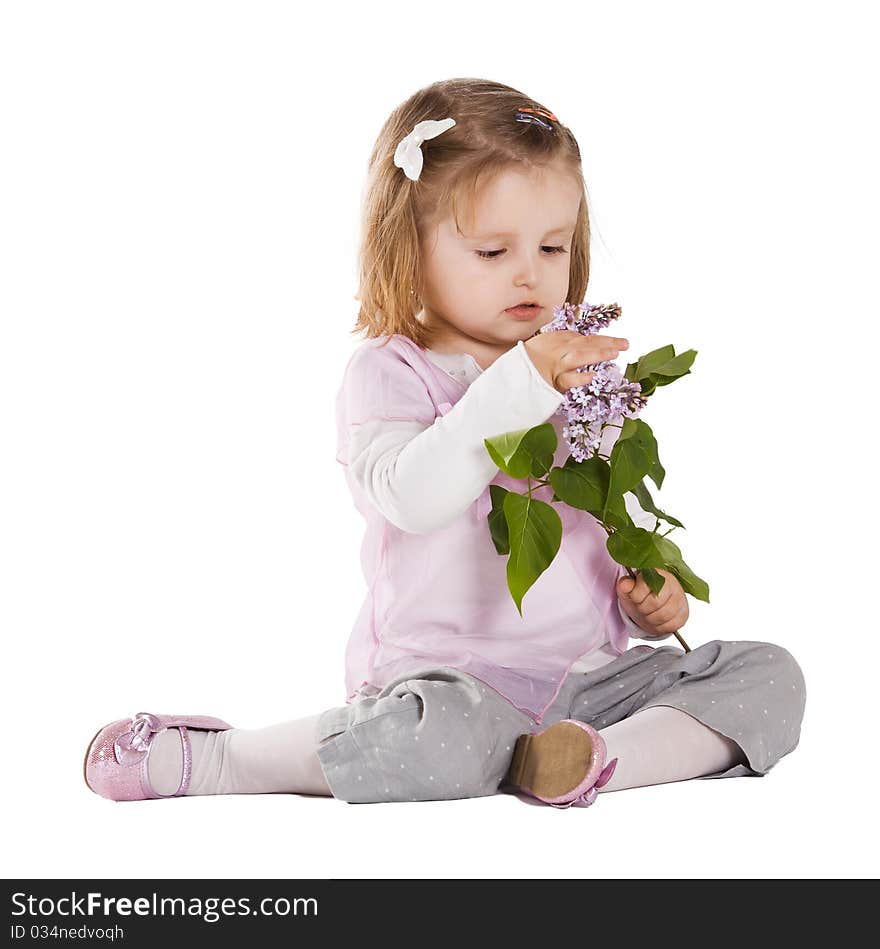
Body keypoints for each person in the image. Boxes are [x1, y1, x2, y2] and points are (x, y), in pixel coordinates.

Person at [83, 78, 806, 808]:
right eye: (493, 251)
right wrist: (522, 380)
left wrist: (650, 592)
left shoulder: (577, 372)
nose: (530, 271)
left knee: (771, 674)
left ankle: (589, 759)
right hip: (451, 687)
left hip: (589, 680)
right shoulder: (393, 374)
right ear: (410, 248)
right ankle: (227, 760)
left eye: (553, 245)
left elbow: (612, 507)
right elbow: (413, 497)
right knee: (431, 746)